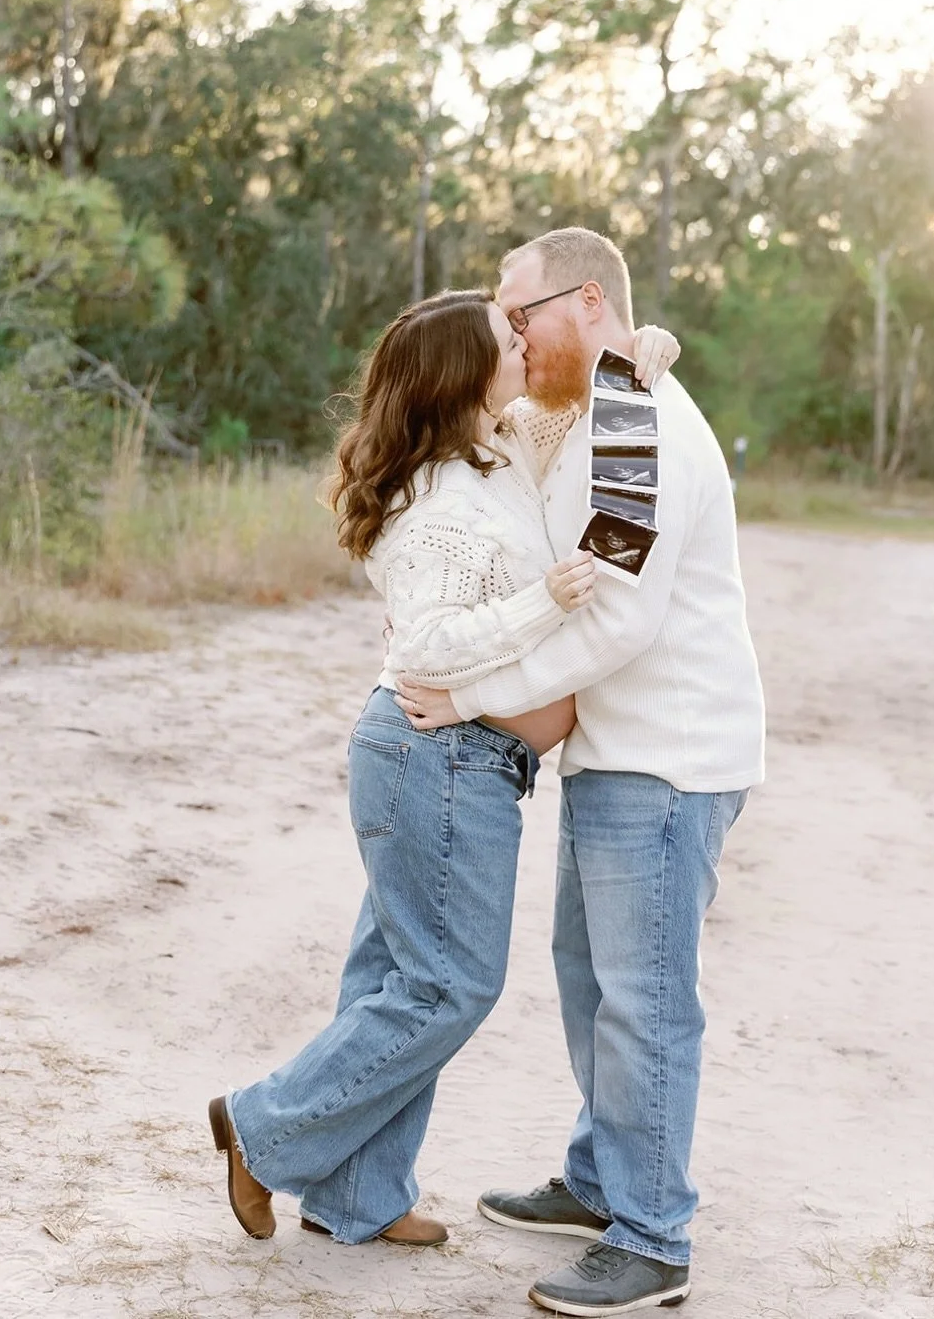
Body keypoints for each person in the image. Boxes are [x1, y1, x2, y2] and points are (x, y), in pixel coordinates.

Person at [206, 288, 680, 1251]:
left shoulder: (492, 451)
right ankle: (262, 1130)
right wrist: (544, 603)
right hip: (441, 757)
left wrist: (635, 365)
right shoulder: (441, 503)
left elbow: (580, 429)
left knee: (393, 977)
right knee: (447, 987)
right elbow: (428, 644)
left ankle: (358, 1197)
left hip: (449, 762)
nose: (522, 339)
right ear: (465, 372)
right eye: (506, 335)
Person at [396, 228, 766, 1316]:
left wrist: (468, 700)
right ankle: (605, 1179)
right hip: (617, 752)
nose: (508, 335)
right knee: (588, 974)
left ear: (588, 300)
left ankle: (653, 1237)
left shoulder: (638, 421)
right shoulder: (588, 408)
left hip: (669, 754)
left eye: (522, 315)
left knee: (643, 999)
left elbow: (619, 614)